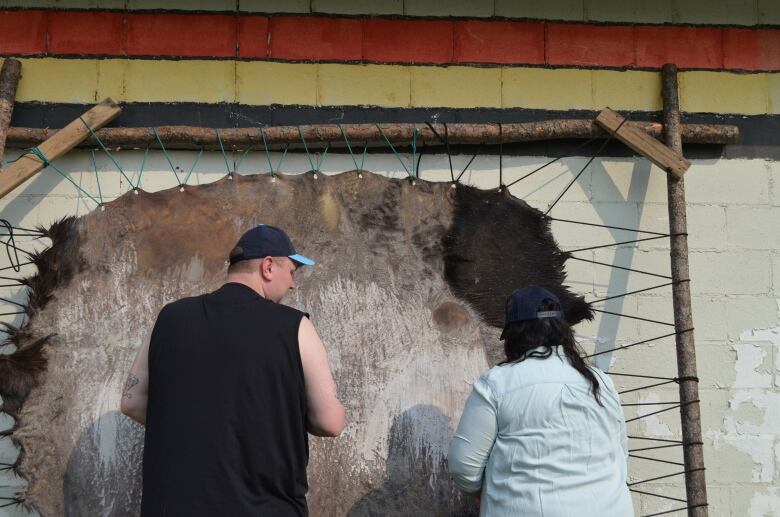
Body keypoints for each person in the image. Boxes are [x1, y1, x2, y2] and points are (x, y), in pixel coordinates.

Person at [120, 224, 345, 517]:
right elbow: (330, 422)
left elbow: (131, 401)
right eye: (291, 272)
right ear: (268, 267)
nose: (293, 284)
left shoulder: (169, 319)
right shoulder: (295, 327)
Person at [448, 286, 633, 517]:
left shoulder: (497, 382)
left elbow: (464, 465)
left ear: (515, 335)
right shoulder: (601, 382)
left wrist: (482, 494)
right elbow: (620, 454)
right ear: (564, 332)